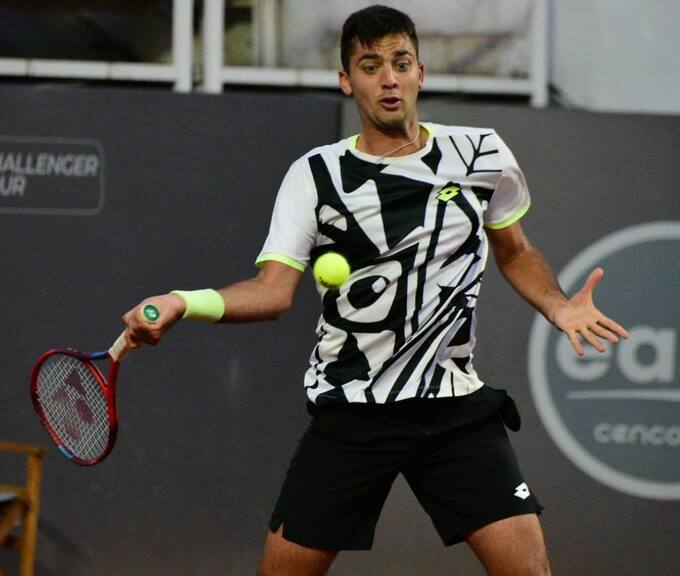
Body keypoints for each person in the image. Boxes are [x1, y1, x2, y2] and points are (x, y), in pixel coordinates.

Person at [121, 5, 628, 575]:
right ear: (347, 80)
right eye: (370, 65)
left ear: (419, 72)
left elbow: (515, 250)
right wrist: (185, 302)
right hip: (353, 410)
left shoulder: (481, 154)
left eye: (400, 62)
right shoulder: (315, 176)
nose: (388, 78)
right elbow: (272, 291)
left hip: (453, 408)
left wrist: (557, 305)